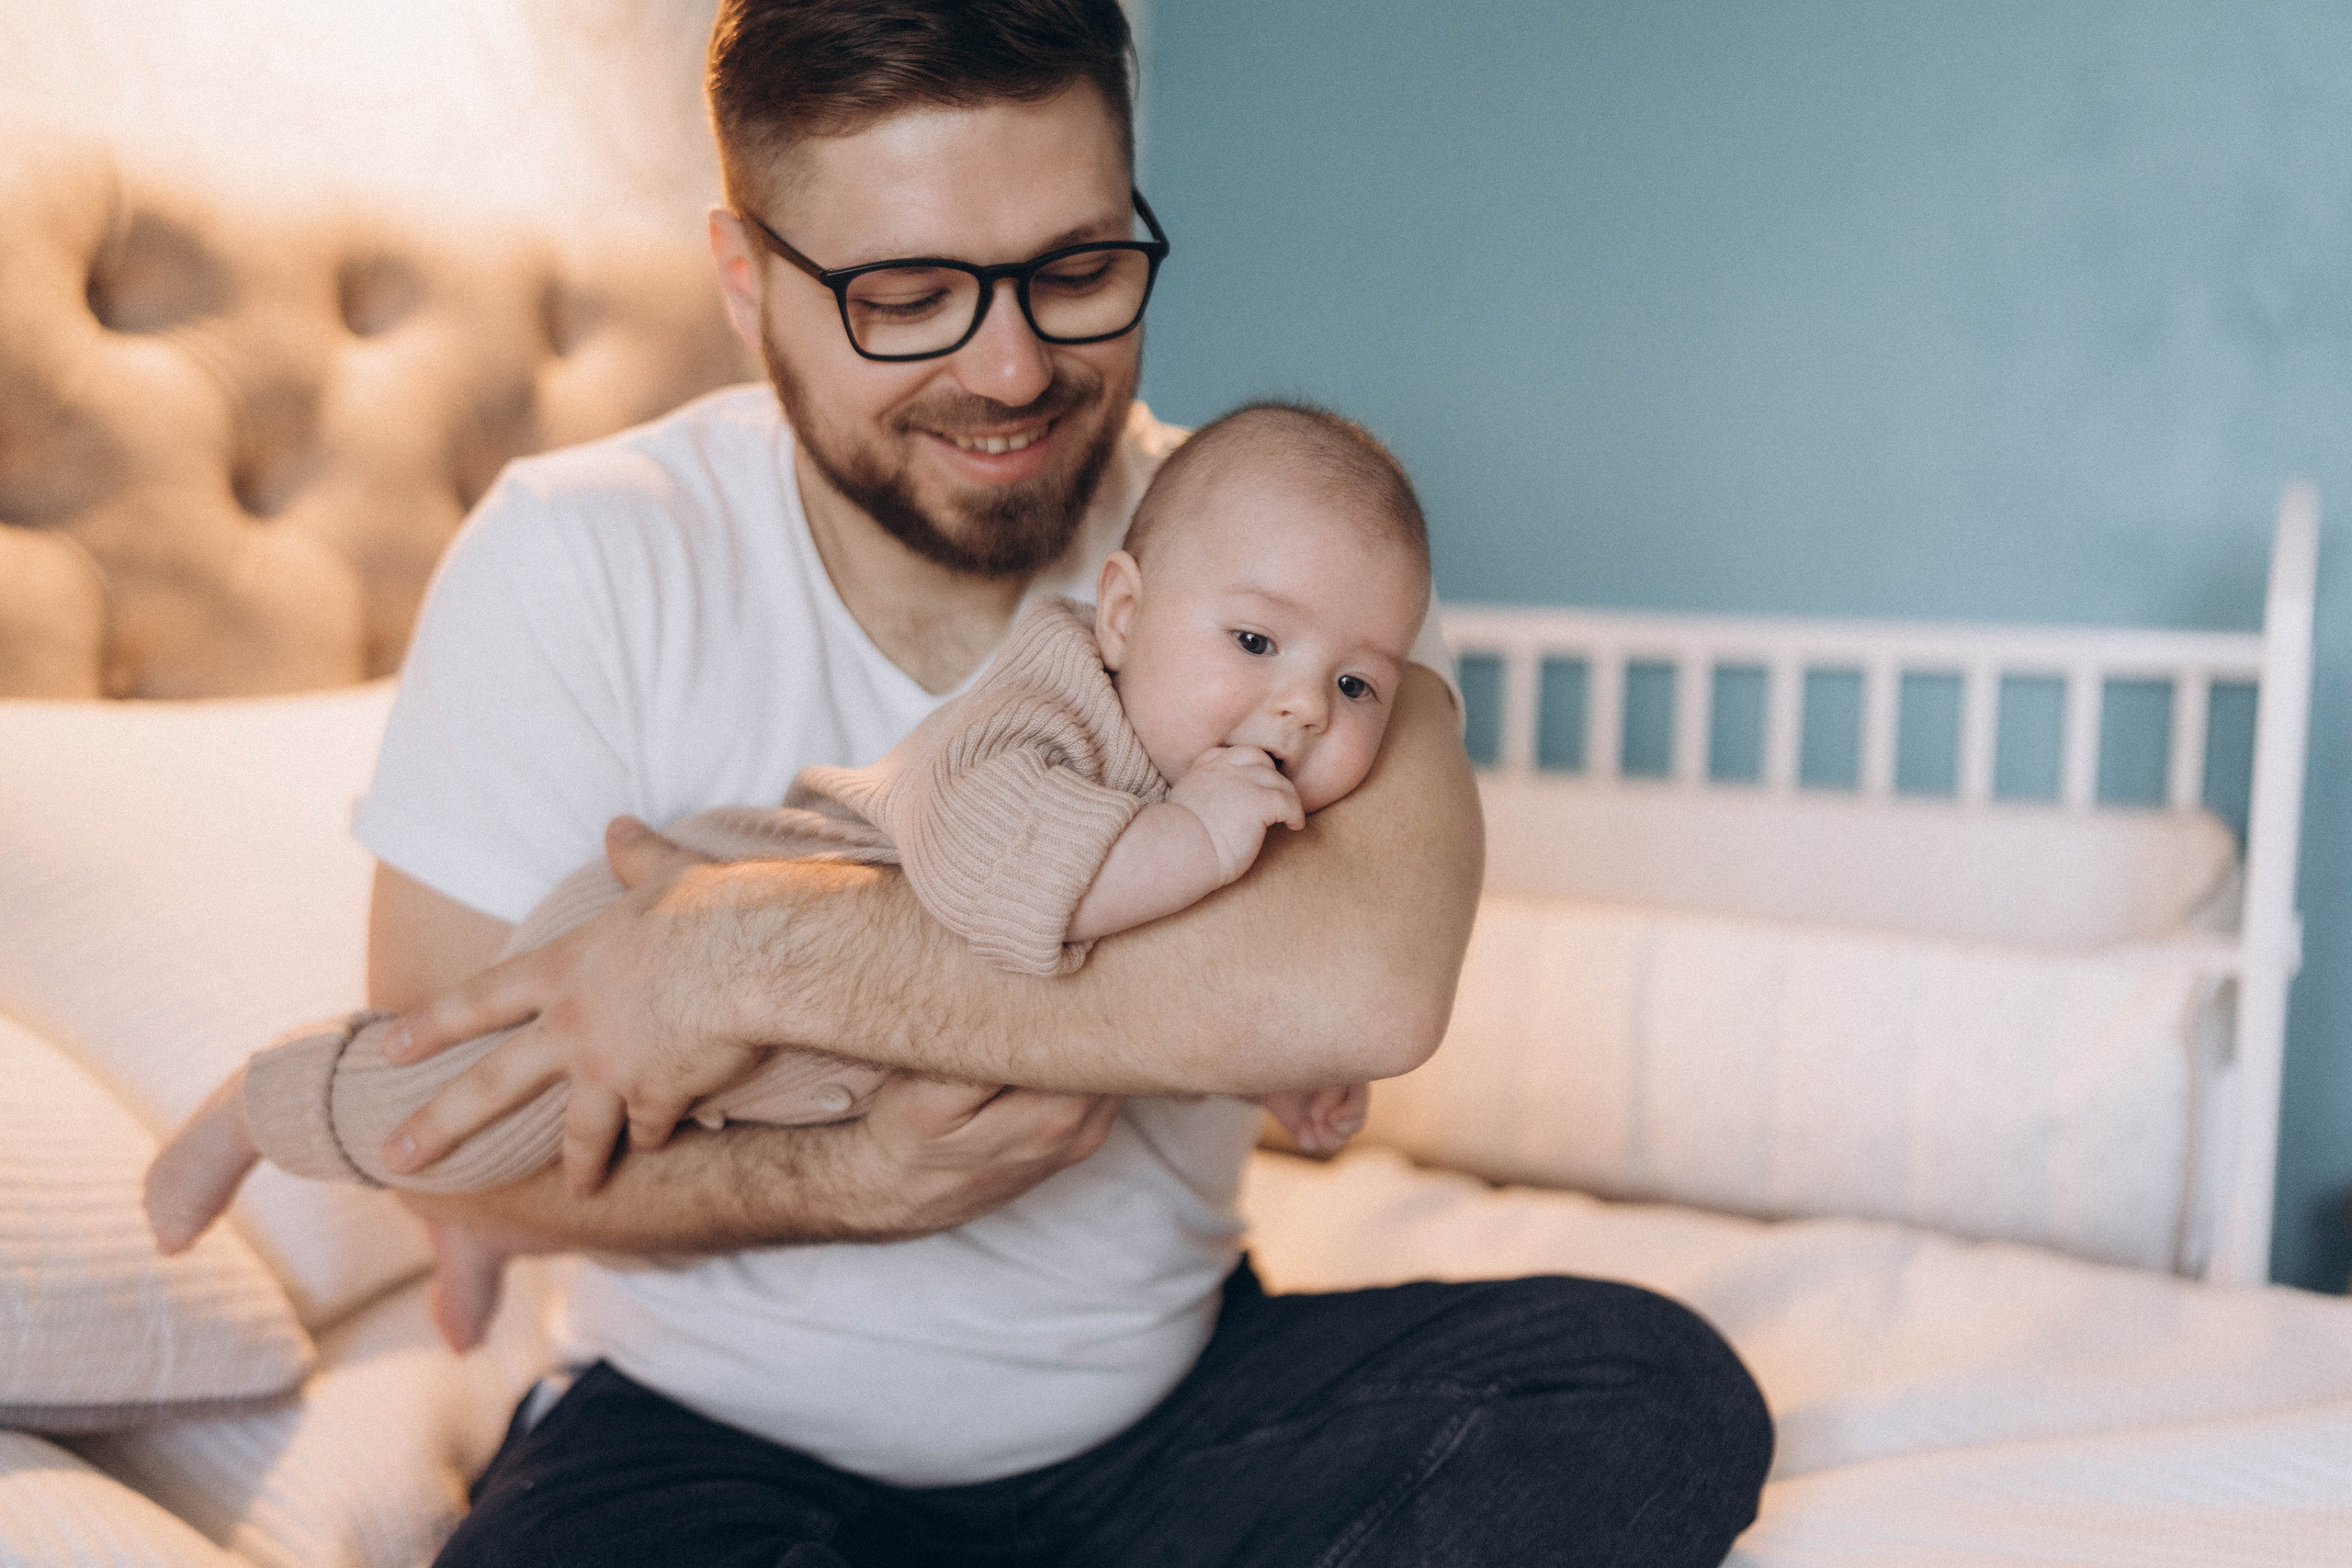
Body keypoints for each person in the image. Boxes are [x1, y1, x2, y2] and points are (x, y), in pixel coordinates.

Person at [329, 2, 1772, 1562]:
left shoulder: (1291, 561)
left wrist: (720, 953)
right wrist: (855, 1178)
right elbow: (438, 1121)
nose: (1011, 367)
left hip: (1168, 1415)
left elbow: (1367, 990)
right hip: (709, 1436)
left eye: (1077, 271)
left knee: (1644, 1396)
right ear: (747, 286)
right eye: (905, 295)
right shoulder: (582, 554)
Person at [145, 402, 1424, 1335]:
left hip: (809, 1077)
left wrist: (1284, 1072)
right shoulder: (1051, 700)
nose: (1301, 706)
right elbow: (999, 878)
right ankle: (262, 1105)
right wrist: (1199, 841)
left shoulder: (1235, 776)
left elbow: (1199, 991)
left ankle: (472, 1233)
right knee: (459, 1114)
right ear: (1128, 612)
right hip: (678, 938)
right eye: (1256, 641)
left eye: (1356, 682)